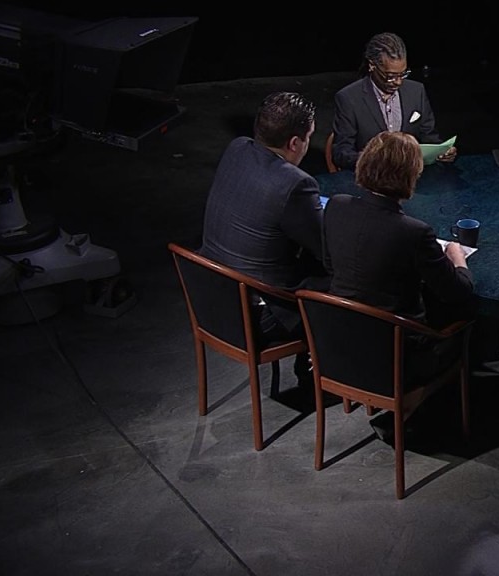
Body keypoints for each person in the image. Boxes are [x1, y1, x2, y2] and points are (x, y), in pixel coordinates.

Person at [323, 131, 474, 437]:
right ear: (410, 176)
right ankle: (417, 405)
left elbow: (330, 265)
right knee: (467, 321)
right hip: (398, 358)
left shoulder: (336, 206)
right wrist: (458, 259)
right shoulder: (414, 232)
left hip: (338, 346)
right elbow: (457, 292)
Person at [199, 91, 328, 385]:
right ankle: (328, 375)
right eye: (308, 138)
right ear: (294, 142)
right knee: (341, 279)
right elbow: (326, 249)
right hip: (259, 315)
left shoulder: (237, 147)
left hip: (212, 298)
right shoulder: (296, 183)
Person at [331, 32, 457, 171]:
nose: (398, 82)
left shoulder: (416, 92)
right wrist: (375, 160)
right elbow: (341, 154)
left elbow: (430, 140)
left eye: (403, 74)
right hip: (371, 179)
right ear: (372, 66)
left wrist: (442, 153)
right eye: (390, 76)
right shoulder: (349, 98)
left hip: (412, 178)